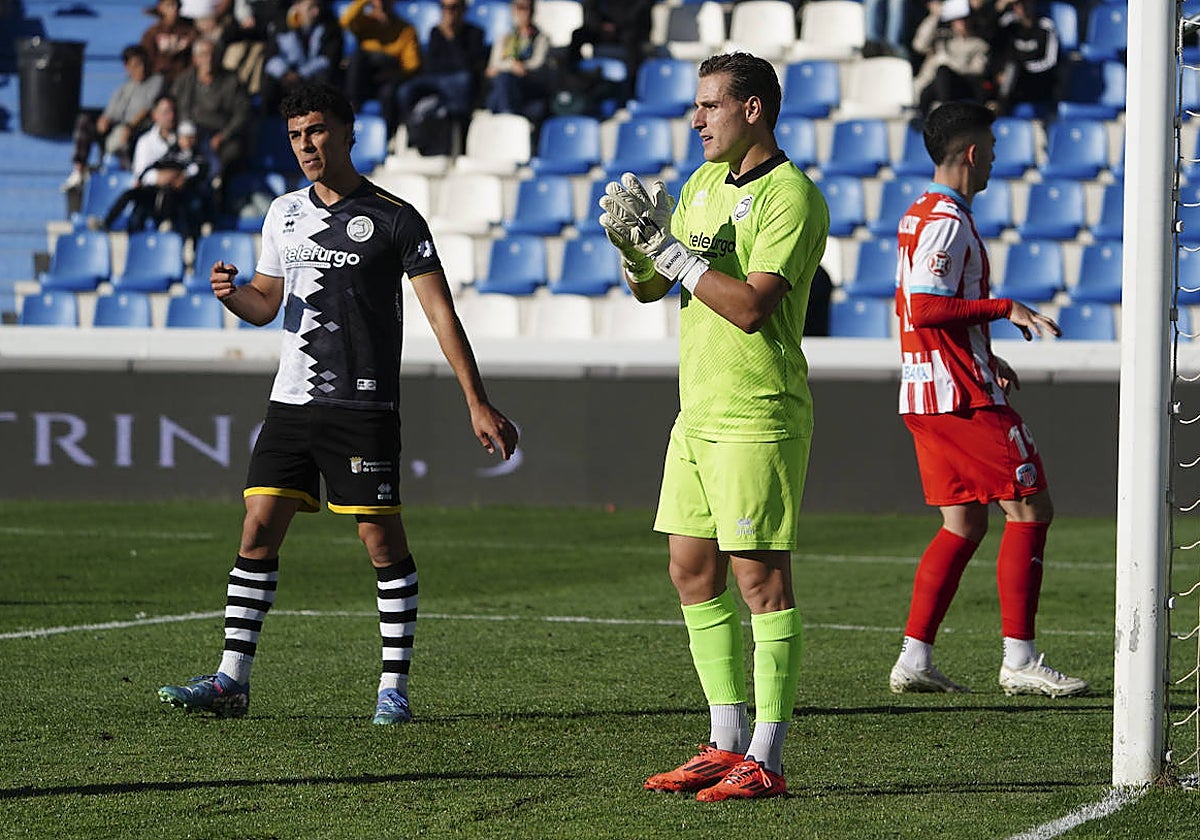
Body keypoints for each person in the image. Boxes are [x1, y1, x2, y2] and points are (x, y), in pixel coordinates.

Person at [157, 82, 519, 723]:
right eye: (296, 135)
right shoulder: (283, 213)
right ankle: (231, 679)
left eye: (317, 131)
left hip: (362, 407)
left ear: (349, 132)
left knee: (380, 541)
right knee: (257, 527)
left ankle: (393, 688)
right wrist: (231, 295)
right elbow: (268, 304)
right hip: (290, 403)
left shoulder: (394, 217)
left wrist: (477, 401)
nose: (306, 145)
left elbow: (440, 312)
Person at [597, 52, 829, 801]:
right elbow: (650, 289)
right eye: (695, 108)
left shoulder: (791, 196)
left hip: (758, 412)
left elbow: (752, 306)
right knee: (692, 572)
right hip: (696, 413)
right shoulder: (699, 186)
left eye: (709, 106)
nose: (695, 120)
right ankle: (724, 741)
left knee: (760, 581)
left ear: (753, 109)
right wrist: (633, 248)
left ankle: (769, 756)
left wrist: (667, 248)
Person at [887, 100, 1088, 699]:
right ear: (973, 153)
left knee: (964, 521)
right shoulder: (947, 220)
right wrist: (1005, 309)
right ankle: (1019, 660)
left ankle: (915, 657)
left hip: (929, 388)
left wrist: (983, 347)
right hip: (960, 396)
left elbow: (917, 307)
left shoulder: (918, 214)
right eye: (993, 149)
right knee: (1031, 508)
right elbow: (924, 306)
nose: (997, 158)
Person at [62, 45, 164, 192]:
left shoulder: (155, 82)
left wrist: (130, 126)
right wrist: (104, 120)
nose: (140, 69)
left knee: (121, 136)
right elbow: (110, 112)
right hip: (116, 127)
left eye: (142, 64)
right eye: (135, 65)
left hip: (138, 128)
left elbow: (147, 108)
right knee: (84, 121)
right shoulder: (123, 88)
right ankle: (79, 170)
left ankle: (120, 177)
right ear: (127, 67)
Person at [395, 0, 489, 136]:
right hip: (436, 79)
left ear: (463, 9)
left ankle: (459, 133)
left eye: (453, 8)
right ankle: (410, 131)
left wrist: (451, 37)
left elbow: (466, 66)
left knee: (463, 80)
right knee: (405, 90)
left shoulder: (475, 33)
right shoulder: (436, 32)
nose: (448, 12)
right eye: (444, 7)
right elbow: (432, 66)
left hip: (458, 83)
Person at [171, 36, 253, 177]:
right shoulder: (184, 80)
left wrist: (223, 136)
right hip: (189, 134)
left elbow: (242, 113)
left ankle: (219, 189)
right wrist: (182, 133)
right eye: (203, 55)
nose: (208, 58)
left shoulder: (231, 81)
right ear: (195, 59)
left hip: (220, 135)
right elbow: (171, 107)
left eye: (212, 54)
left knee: (233, 152)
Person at [340, 0, 422, 138]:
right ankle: (351, 109)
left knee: (388, 93)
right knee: (357, 57)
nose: (382, 3)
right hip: (364, 78)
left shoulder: (405, 29)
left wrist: (392, 74)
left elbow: (412, 65)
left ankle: (386, 137)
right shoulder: (366, 22)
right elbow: (346, 21)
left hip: (388, 77)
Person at [100, 93, 180, 231]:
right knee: (133, 199)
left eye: (173, 111)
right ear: (155, 115)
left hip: (178, 192)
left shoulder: (184, 139)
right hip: (151, 190)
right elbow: (141, 171)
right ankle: (105, 224)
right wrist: (159, 177)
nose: (170, 116)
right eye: (166, 112)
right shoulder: (145, 141)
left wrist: (176, 176)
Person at [260, 0, 343, 115]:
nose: (316, 12)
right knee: (269, 79)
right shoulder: (281, 25)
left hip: (310, 76)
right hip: (287, 76)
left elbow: (328, 58)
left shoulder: (330, 25)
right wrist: (284, 73)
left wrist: (300, 74)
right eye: (311, 8)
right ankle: (269, 121)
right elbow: (271, 56)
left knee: (325, 78)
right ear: (297, 7)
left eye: (318, 7)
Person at [912, 0, 992, 115]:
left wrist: (949, 63)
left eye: (965, 19)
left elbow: (977, 70)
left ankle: (945, 112)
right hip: (931, 87)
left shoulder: (979, 44)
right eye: (957, 20)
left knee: (943, 71)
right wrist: (934, 17)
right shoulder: (942, 37)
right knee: (932, 83)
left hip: (959, 85)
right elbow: (919, 45)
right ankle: (921, 119)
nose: (961, 23)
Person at [566, 0, 653, 98]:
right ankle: (574, 76)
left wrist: (616, 27)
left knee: (636, 44)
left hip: (628, 31)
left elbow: (638, 17)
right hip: (601, 29)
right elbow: (590, 10)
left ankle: (631, 89)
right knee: (578, 34)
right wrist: (601, 25)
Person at [483, 0, 551, 122]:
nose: (524, 13)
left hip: (527, 87)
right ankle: (508, 115)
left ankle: (507, 117)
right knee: (504, 78)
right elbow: (492, 66)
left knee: (504, 80)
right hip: (505, 87)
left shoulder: (541, 38)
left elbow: (537, 64)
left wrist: (514, 66)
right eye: (519, 8)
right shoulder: (505, 38)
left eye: (527, 8)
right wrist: (512, 65)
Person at [988, 0, 1059, 116]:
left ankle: (1000, 107)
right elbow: (989, 38)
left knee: (1014, 66)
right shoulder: (1009, 25)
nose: (1021, 8)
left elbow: (1050, 62)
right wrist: (999, 7)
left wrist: (1023, 69)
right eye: (1016, 4)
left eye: (1025, 3)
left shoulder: (1045, 27)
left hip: (1036, 81)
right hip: (1011, 83)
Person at [140, 0, 200, 85]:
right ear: (161, 8)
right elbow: (147, 58)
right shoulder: (151, 33)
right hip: (159, 80)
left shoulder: (190, 31)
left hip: (185, 80)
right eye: (170, 5)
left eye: (177, 5)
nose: (174, 9)